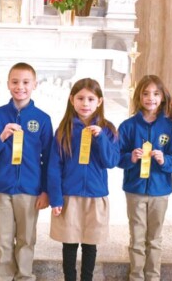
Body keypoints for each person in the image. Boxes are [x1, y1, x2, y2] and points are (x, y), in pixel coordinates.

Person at [0, 62, 53, 281]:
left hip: (30, 189)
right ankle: (2, 276)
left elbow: (49, 158)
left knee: (26, 238)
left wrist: (45, 191)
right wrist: (2, 136)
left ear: (34, 85)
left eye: (25, 82)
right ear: (7, 84)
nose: (19, 86)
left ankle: (24, 276)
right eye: (15, 82)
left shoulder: (42, 119)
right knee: (4, 238)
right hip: (3, 187)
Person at [47, 78, 120, 281]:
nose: (85, 103)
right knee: (69, 244)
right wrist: (56, 198)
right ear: (72, 100)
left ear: (100, 101)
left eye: (90, 98)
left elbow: (111, 161)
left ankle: (87, 278)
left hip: (95, 196)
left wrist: (101, 139)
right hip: (69, 196)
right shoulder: (64, 130)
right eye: (80, 98)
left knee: (90, 244)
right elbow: (54, 166)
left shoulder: (108, 129)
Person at [117, 75, 172, 281]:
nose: (150, 98)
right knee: (137, 237)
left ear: (163, 97)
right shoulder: (127, 126)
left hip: (159, 191)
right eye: (145, 93)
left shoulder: (170, 128)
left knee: (154, 238)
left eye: (155, 93)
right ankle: (136, 276)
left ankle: (153, 276)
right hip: (135, 190)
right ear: (138, 96)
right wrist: (131, 157)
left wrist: (165, 160)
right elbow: (117, 158)